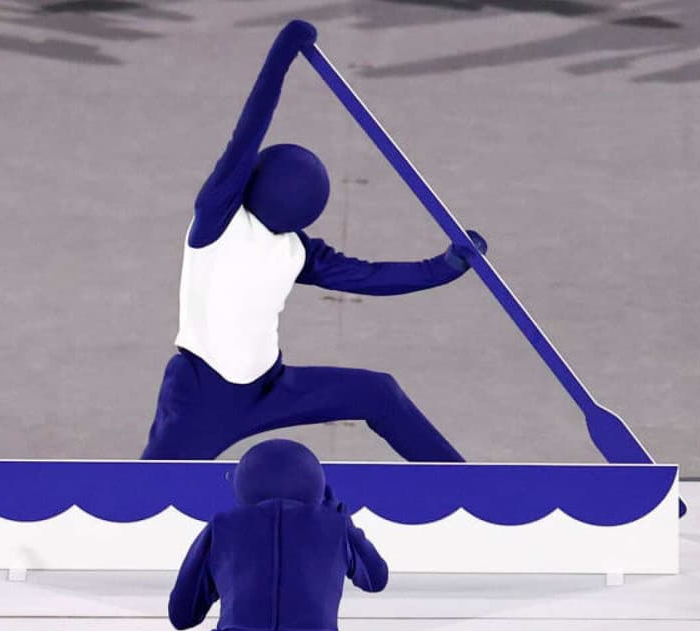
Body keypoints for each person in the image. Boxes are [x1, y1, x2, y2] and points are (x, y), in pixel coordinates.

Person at [139, 19, 488, 462]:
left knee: (377, 392)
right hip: (202, 397)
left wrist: (445, 266)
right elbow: (248, 132)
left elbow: (367, 277)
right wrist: (281, 56)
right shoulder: (219, 222)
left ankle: (461, 481)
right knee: (150, 487)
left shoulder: (294, 248)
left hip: (271, 388)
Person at [168, 438, 387, 631]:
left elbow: (183, 614)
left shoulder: (222, 527)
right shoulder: (336, 526)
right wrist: (344, 520)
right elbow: (376, 579)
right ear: (316, 482)